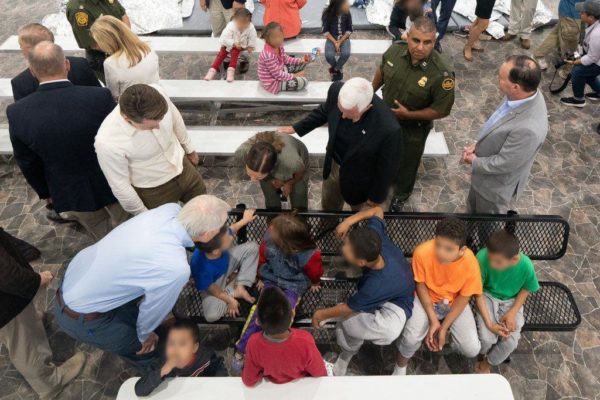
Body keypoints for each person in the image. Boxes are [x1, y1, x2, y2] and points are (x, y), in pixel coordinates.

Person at [55, 195, 230, 373]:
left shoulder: (169, 209)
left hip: (76, 277)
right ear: (207, 235)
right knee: (147, 350)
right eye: (221, 228)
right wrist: (144, 336)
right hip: (81, 316)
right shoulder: (175, 268)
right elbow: (152, 310)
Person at [7, 42, 127, 241]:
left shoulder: (17, 112)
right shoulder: (99, 97)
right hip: (112, 177)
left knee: (100, 232)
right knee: (128, 222)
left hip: (69, 188)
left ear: (32, 71)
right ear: (67, 65)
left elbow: (27, 161)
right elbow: (121, 136)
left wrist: (46, 193)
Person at [311, 207, 415, 376]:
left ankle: (346, 352)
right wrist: (348, 222)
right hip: (386, 290)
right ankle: (347, 353)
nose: (343, 247)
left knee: (352, 324)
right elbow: (378, 210)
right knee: (355, 320)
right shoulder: (375, 239)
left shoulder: (375, 286)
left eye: (347, 248)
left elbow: (348, 308)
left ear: (361, 262)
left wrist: (321, 314)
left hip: (395, 303)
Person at [280, 78, 401, 211]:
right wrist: (296, 128)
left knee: (357, 214)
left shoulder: (388, 128)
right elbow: (325, 111)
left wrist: (376, 198)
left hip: (361, 177)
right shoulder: (336, 90)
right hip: (334, 164)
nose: (343, 116)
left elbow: (387, 168)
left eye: (349, 114)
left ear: (367, 107)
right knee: (328, 208)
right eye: (341, 109)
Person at [373, 17, 455, 211]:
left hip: (413, 129)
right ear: (407, 36)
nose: (420, 47)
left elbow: (441, 110)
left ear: (434, 41)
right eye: (416, 40)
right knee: (382, 153)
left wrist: (408, 115)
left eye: (427, 42)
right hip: (385, 118)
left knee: (407, 164)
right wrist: (369, 92)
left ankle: (401, 195)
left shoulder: (442, 73)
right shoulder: (394, 51)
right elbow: (381, 72)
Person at [0, 228, 86, 400]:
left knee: (18, 331)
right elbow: (7, 276)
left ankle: (31, 327)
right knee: (23, 343)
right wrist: (36, 280)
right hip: (6, 306)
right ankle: (50, 383)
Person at [95, 83, 205, 216]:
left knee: (204, 210)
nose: (159, 127)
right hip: (153, 190)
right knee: (168, 229)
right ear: (127, 118)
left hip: (183, 167)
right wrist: (144, 215)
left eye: (161, 119)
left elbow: (176, 119)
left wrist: (190, 150)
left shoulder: (157, 92)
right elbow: (120, 186)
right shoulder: (107, 141)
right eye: (150, 127)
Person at [233, 213, 324, 371]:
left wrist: (315, 281)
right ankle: (242, 347)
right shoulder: (269, 239)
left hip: (294, 285)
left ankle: (270, 346)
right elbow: (262, 259)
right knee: (258, 313)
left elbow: (315, 270)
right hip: (271, 279)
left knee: (285, 313)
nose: (269, 230)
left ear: (287, 241)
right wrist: (260, 277)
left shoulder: (309, 253)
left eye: (274, 230)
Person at [394, 218, 482, 375]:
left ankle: (450, 340)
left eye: (449, 249)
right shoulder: (422, 252)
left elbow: (464, 298)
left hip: (454, 301)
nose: (441, 252)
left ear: (462, 250)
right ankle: (400, 366)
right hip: (425, 297)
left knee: (472, 348)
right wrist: (434, 319)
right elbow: (420, 284)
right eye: (438, 245)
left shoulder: (471, 263)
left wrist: (444, 327)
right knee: (411, 338)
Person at [463, 55, 547, 214]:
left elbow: (505, 163)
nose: (497, 79)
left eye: (501, 78)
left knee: (487, 233)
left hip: (493, 191)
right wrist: (478, 144)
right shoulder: (524, 93)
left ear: (516, 87)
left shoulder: (528, 129)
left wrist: (474, 161)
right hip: (483, 178)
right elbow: (499, 120)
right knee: (471, 214)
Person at [474, 229, 539, 373]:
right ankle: (481, 352)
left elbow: (526, 288)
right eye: (490, 259)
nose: (491, 264)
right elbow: (478, 292)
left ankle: (487, 362)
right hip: (487, 295)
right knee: (486, 338)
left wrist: (512, 313)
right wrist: (490, 324)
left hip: (512, 301)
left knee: (510, 341)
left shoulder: (526, 266)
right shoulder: (482, 257)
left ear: (514, 259)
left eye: (497, 262)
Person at [242, 287, 328, 386]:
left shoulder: (253, 343)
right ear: (292, 315)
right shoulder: (305, 340)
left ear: (258, 321)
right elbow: (319, 372)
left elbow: (249, 380)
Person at [190, 209, 259, 322]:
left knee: (252, 247)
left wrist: (244, 220)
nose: (232, 237)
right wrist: (230, 301)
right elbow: (214, 291)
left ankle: (240, 286)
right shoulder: (200, 268)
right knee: (212, 316)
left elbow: (231, 229)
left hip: (226, 263)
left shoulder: (215, 239)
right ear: (216, 251)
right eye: (228, 240)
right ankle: (232, 288)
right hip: (213, 284)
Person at [134, 320, 227, 396]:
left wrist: (216, 386)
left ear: (194, 347)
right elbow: (139, 390)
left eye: (182, 344)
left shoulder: (205, 357)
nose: (175, 350)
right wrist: (162, 371)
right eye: (171, 343)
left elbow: (219, 367)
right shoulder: (163, 363)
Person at [11, 23, 99, 102]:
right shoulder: (80, 64)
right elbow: (98, 95)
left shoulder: (21, 83)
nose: (21, 49)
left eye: (21, 46)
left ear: (30, 49)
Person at [234, 131, 309, 210]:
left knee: (299, 194)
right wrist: (272, 180)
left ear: (272, 168)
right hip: (269, 168)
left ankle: (300, 218)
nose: (253, 180)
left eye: (258, 178)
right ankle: (273, 217)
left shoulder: (292, 162)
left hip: (296, 157)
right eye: (249, 174)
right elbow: (260, 174)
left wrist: (289, 183)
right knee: (271, 196)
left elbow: (300, 172)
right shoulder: (241, 153)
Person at [90, 15, 160, 98]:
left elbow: (114, 94)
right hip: (156, 97)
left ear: (107, 41)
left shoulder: (111, 63)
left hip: (132, 105)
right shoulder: (148, 48)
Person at [66, 0, 131, 82]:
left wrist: (128, 42)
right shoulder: (78, 9)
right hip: (102, 59)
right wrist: (121, 50)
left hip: (123, 51)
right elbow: (91, 43)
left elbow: (123, 15)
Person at [560, 0, 600, 107]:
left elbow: (592, 57)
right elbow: (586, 47)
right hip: (594, 55)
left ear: (591, 17)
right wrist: (578, 55)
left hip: (597, 61)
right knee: (589, 76)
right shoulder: (592, 23)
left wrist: (576, 62)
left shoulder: (597, 34)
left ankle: (578, 99)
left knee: (578, 72)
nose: (580, 14)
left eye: (582, 12)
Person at [204, 8, 257, 82]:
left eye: (245, 24)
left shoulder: (251, 27)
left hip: (240, 45)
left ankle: (231, 71)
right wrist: (233, 43)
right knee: (221, 55)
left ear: (249, 22)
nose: (242, 26)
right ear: (235, 20)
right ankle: (212, 70)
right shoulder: (231, 25)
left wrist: (251, 45)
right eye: (240, 24)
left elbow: (253, 37)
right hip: (227, 44)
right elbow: (223, 38)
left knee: (235, 53)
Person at [258, 22, 311, 94]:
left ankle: (288, 75)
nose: (278, 40)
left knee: (302, 64)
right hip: (272, 83)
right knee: (304, 82)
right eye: (274, 38)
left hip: (280, 71)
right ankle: (289, 77)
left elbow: (286, 59)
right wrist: (294, 76)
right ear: (267, 39)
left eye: (280, 36)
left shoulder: (279, 47)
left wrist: (301, 60)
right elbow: (277, 74)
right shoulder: (268, 55)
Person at [533, 0, 584, 70]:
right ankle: (567, 71)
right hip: (573, 14)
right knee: (571, 46)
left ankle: (538, 55)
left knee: (557, 34)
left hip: (571, 10)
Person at [322, 0, 353, 81]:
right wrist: (335, 42)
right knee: (329, 55)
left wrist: (339, 42)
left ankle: (335, 70)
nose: (348, 4)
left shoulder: (347, 13)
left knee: (346, 53)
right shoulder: (328, 14)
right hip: (331, 38)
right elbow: (325, 31)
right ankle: (339, 68)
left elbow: (349, 30)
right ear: (339, 4)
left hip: (344, 38)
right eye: (345, 2)